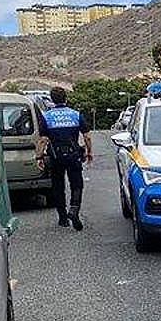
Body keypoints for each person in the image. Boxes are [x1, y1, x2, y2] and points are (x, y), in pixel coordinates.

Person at [36, 87, 93, 230]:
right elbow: (87, 136)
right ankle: (74, 210)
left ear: (52, 100)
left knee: (58, 186)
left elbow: (43, 140)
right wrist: (89, 152)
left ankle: (62, 217)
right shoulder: (75, 114)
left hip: (56, 157)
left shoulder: (47, 116)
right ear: (66, 98)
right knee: (77, 184)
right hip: (73, 155)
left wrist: (39, 157)